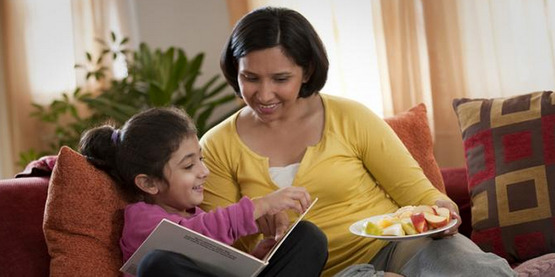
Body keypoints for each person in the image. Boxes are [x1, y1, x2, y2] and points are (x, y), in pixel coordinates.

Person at [199, 6, 517, 277]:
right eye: (250, 78)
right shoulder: (217, 145)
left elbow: (417, 191)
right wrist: (257, 230)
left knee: (471, 268)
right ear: (234, 71)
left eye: (281, 79)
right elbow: (222, 249)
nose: (264, 94)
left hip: (392, 249)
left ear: (307, 71)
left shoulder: (351, 117)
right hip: (309, 270)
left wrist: (442, 208)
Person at [78, 107, 328, 277]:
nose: (204, 171)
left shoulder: (192, 214)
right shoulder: (141, 220)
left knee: (308, 237)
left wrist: (252, 260)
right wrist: (259, 206)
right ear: (148, 184)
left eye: (201, 158)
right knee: (157, 263)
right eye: (188, 165)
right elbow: (195, 235)